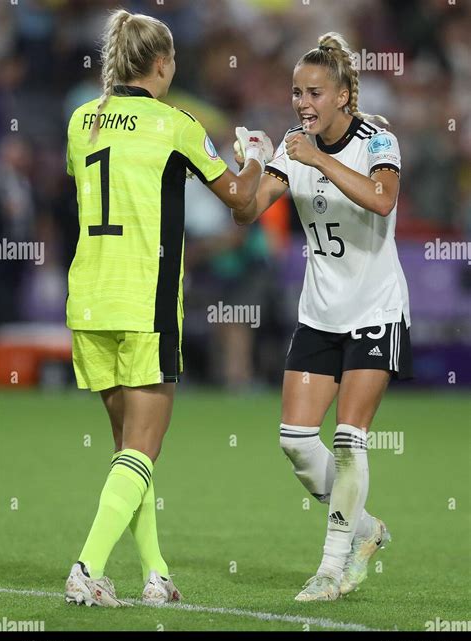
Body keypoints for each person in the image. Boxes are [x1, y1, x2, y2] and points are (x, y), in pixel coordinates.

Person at [64, 8, 273, 607]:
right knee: (143, 449)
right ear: (161, 64)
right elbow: (240, 201)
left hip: (89, 299)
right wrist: (253, 154)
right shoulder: (174, 122)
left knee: (129, 454)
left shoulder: (83, 120)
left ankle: (155, 574)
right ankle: (87, 566)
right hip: (145, 299)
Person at [233, 32, 412, 601]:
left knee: (348, 439)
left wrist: (317, 160)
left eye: (313, 92)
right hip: (320, 313)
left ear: (342, 97)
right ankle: (365, 531)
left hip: (374, 311)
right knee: (294, 440)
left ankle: (332, 569)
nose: (302, 103)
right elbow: (248, 209)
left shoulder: (379, 141)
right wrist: (256, 158)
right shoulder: (294, 146)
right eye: (295, 93)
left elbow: (383, 201)